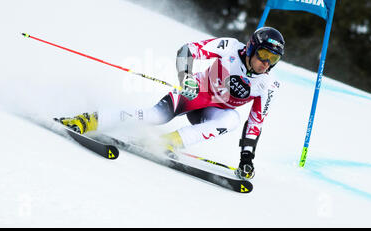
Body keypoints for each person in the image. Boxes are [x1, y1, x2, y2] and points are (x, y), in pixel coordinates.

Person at [57, 26, 285, 180]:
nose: (266, 63)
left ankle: (170, 142)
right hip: (196, 94)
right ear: (253, 47)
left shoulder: (268, 85)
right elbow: (188, 49)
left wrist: (247, 158)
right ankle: (89, 120)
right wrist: (185, 77)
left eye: (273, 59)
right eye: (264, 55)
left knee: (233, 119)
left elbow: (256, 121)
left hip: (216, 112)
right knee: (155, 116)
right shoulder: (230, 48)